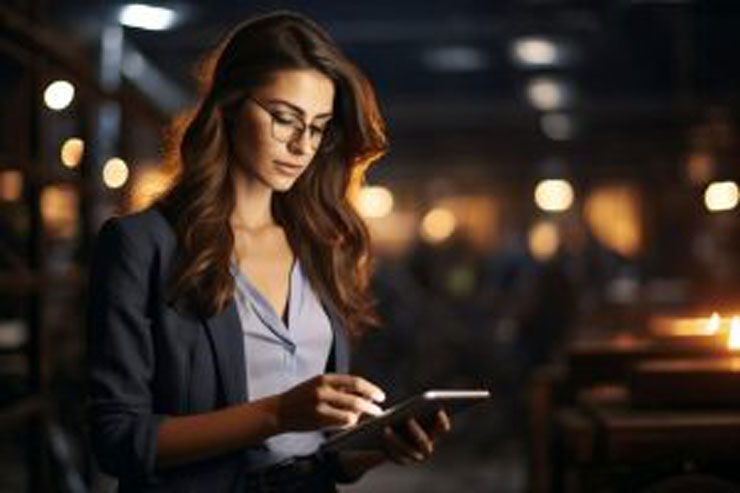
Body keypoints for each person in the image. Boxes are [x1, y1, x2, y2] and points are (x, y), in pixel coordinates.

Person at [86, 11, 450, 493]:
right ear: (230, 106)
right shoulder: (142, 244)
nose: (301, 145)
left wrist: (376, 446)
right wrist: (276, 413)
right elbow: (117, 439)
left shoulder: (321, 245)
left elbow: (319, 454)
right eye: (284, 119)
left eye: (318, 128)